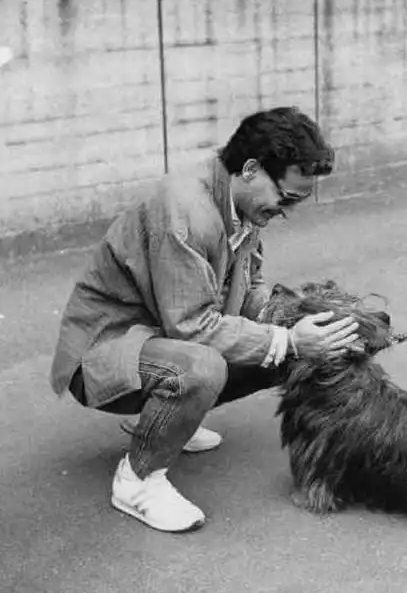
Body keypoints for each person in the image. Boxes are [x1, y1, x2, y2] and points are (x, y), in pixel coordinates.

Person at [50, 107, 360, 533]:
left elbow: (248, 288)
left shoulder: (242, 204)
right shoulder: (186, 211)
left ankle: (170, 419)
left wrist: (306, 321)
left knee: (285, 347)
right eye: (286, 198)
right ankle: (138, 480)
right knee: (205, 368)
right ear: (251, 169)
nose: (287, 211)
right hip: (106, 352)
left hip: (159, 336)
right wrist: (288, 339)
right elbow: (192, 325)